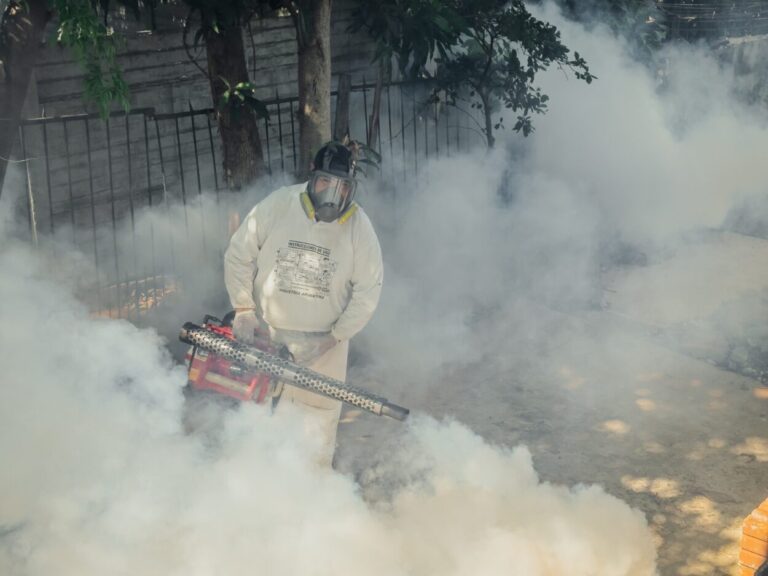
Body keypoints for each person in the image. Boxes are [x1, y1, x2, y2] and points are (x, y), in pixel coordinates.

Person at [223, 141, 383, 467]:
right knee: (258, 428)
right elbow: (239, 254)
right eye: (326, 181)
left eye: (342, 186)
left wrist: (334, 337)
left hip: (325, 349)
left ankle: (314, 507)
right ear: (312, 176)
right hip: (268, 338)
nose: (332, 193)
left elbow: (369, 288)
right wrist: (243, 310)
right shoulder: (279, 204)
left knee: (316, 436)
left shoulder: (358, 226)